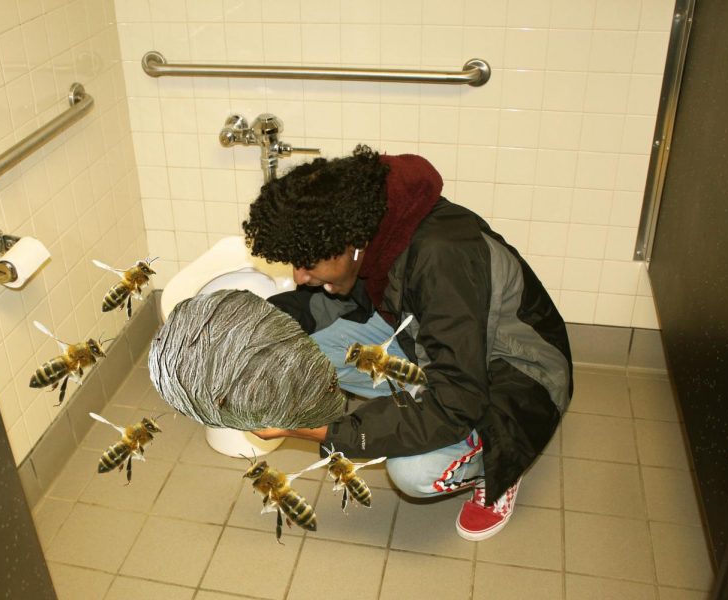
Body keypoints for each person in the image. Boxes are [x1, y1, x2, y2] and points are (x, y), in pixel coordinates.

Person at [243, 145, 573, 541]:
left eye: (307, 264)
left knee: (414, 473)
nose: (298, 276)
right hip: (437, 348)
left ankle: (494, 463)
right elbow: (330, 305)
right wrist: (250, 329)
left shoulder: (442, 258)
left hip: (513, 372)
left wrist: (318, 430)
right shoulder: (373, 225)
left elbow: (458, 402)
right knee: (300, 344)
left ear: (351, 244)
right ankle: (420, 406)